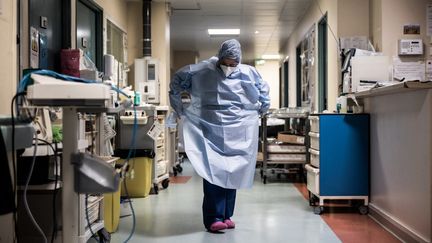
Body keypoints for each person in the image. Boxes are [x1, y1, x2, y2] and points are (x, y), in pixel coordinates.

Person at [169, 39, 270, 232]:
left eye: (233, 64)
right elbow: (176, 82)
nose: (229, 68)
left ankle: (226, 215)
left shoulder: (248, 73)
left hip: (237, 130)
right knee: (214, 172)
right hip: (210, 128)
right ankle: (213, 217)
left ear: (238, 62)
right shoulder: (202, 70)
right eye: (225, 63)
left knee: (233, 172)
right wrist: (179, 108)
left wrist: (263, 107)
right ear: (219, 58)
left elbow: (263, 91)